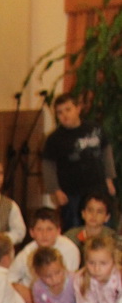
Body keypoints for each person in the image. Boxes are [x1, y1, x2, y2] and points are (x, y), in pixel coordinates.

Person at [42, 92, 116, 231]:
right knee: (75, 228)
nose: (64, 115)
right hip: (72, 192)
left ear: (78, 108)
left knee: (103, 226)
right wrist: (56, 190)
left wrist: (109, 178)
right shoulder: (54, 139)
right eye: (59, 112)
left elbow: (106, 152)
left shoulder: (94, 129)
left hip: (98, 187)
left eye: (68, 109)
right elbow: (48, 166)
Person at [7, 207, 80, 303]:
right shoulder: (27, 252)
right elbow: (9, 277)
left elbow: (67, 284)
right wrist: (18, 288)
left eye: (49, 229)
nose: (44, 234)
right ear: (32, 232)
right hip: (29, 300)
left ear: (58, 231)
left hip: (58, 300)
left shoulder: (70, 250)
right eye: (39, 229)